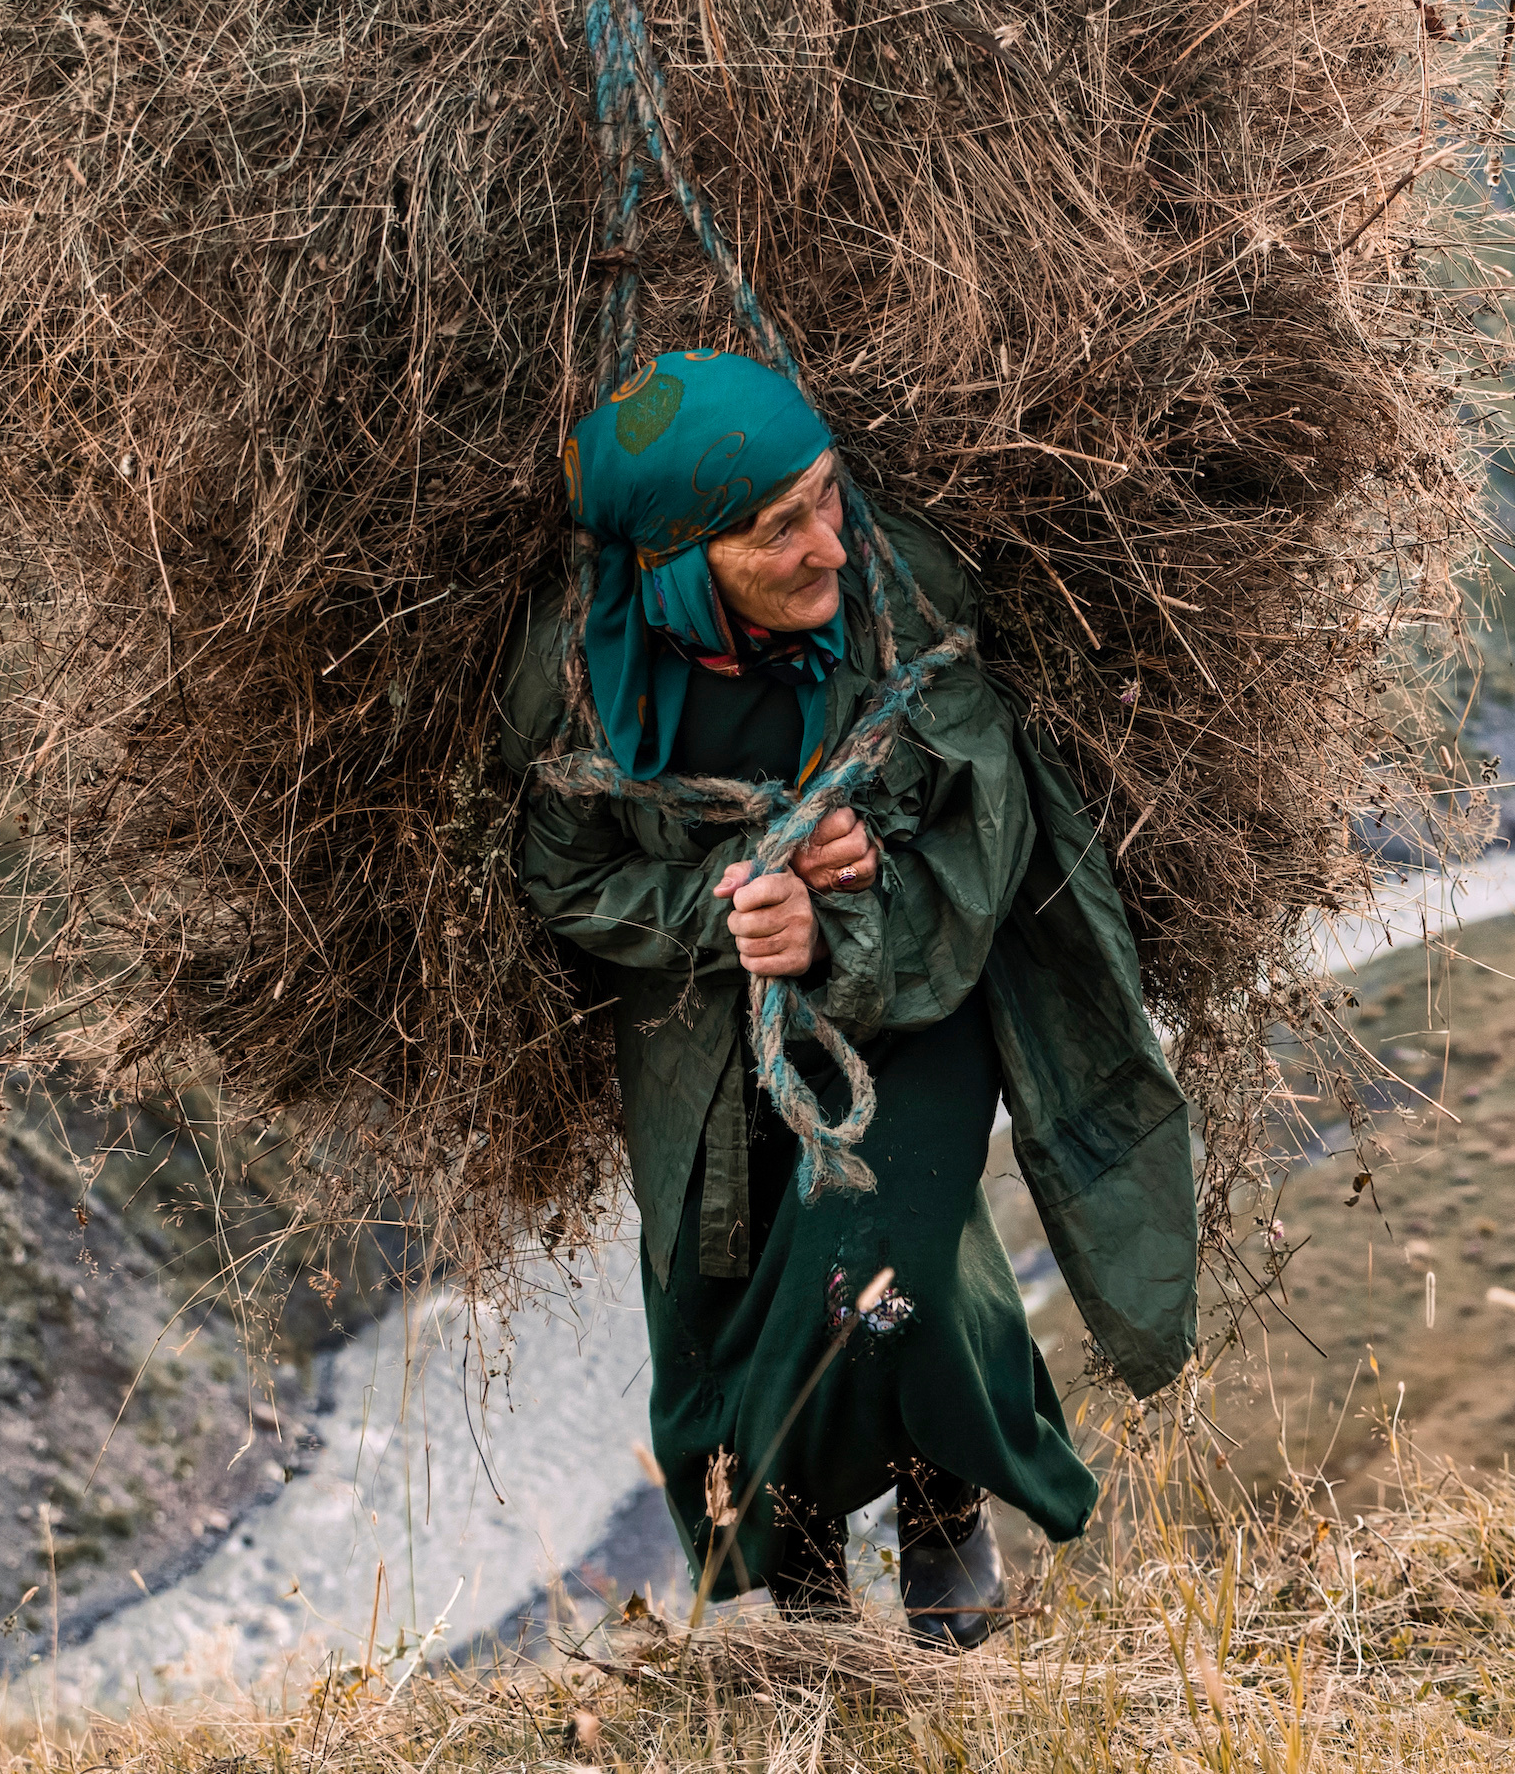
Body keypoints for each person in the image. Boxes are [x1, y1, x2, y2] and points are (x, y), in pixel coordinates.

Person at [499, 348, 1196, 1644]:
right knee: (729, 1297)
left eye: (829, 493)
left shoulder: (902, 592)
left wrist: (855, 893)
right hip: (702, 1037)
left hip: (912, 992)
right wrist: (726, 908)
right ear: (681, 561)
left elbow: (986, 823)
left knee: (887, 1262)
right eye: (781, 527)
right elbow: (566, 877)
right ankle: (806, 1590)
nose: (831, 540)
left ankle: (943, 1516)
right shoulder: (579, 673)